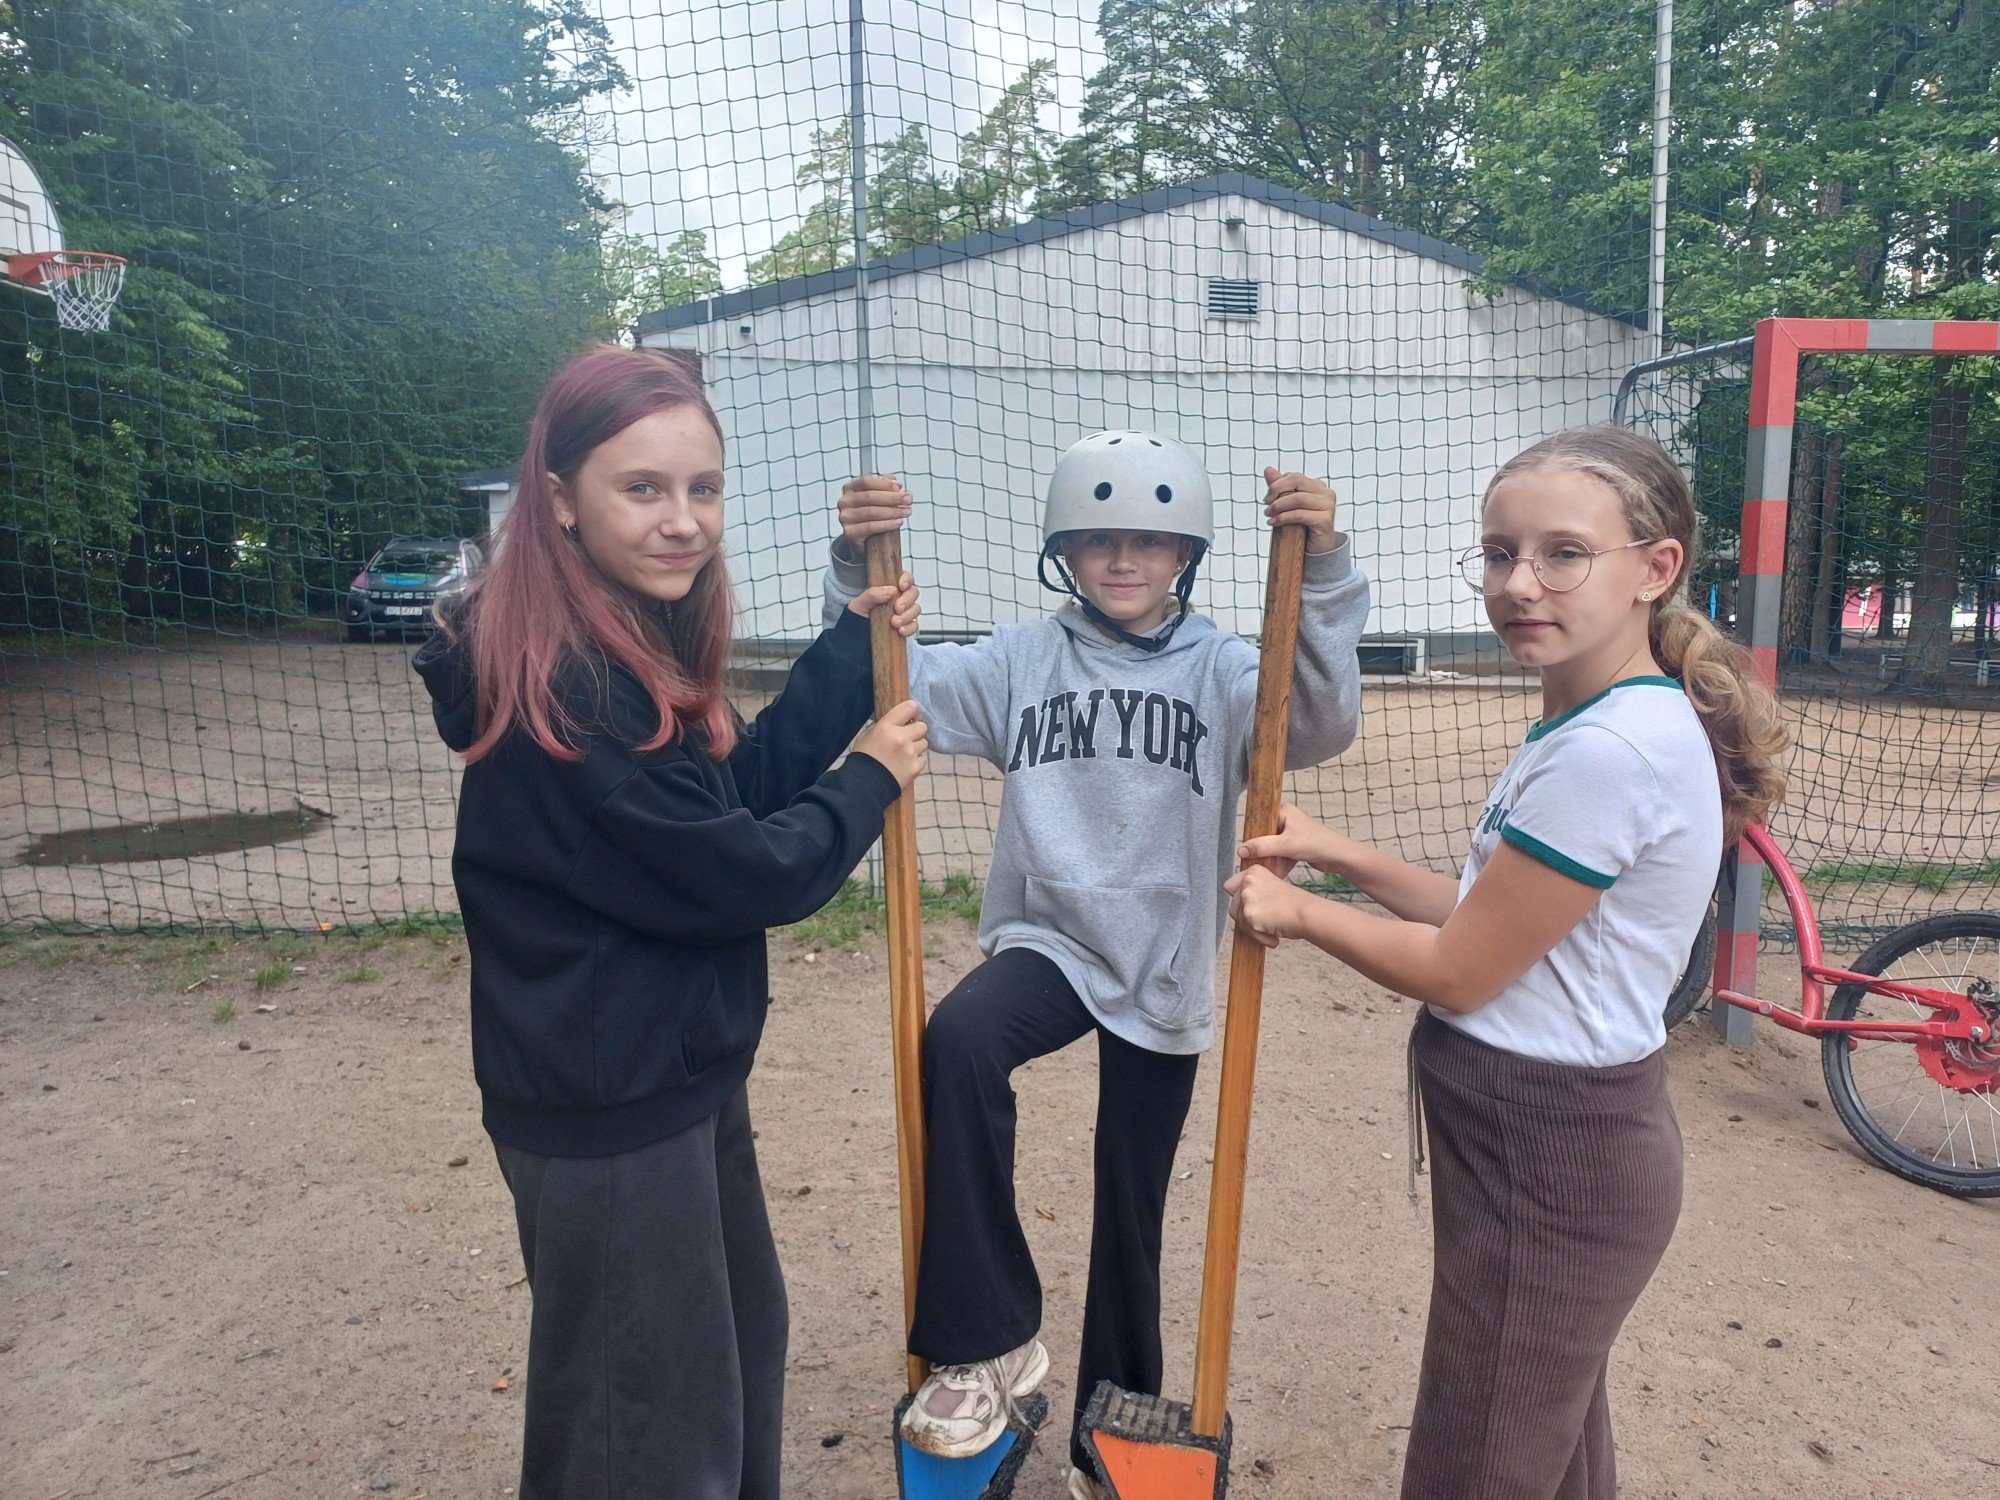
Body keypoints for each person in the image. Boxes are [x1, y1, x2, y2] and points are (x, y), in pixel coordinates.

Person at [1225, 425, 1788, 1500]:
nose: (1518, 583)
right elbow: (1495, 923)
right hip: (1549, 1149)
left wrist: (1298, 914)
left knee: (1475, 1464)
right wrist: (1341, 856)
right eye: (1498, 553)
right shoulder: (1599, 720)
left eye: (1563, 554)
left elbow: (1459, 970)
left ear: (1654, 568)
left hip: (1551, 1159)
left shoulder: (1607, 753)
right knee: (1545, 1454)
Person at [412, 343, 929, 1500]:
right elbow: (742, 872)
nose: (682, 520)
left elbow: (723, 801)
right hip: (610, 1119)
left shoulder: (626, 644)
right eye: (641, 488)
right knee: (641, 1433)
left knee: (732, 1361)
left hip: (673, 1080)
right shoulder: (569, 695)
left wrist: (850, 653)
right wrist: (867, 783)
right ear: (560, 500)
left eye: (703, 488)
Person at [831, 432, 1370, 1497]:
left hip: (1163, 960)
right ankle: (985, 1344)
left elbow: (1315, 722)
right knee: (959, 1040)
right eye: (1096, 541)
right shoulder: (1020, 661)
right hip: (1050, 939)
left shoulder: (1224, 670)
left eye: (1149, 542)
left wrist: (1325, 569)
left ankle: (1108, 1429)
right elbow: (893, 685)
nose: (1123, 561)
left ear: (1186, 555)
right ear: (1063, 553)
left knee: (1133, 1196)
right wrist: (860, 569)